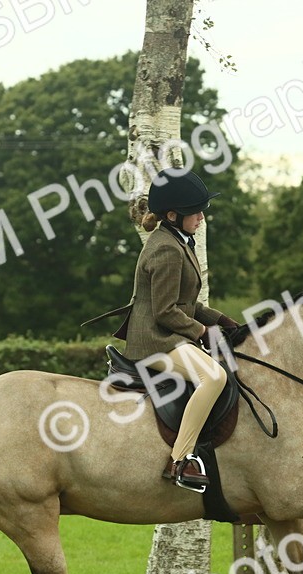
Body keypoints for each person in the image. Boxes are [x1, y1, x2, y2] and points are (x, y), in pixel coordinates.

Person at [86, 168, 238, 492]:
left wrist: (224, 321)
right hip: (155, 340)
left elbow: (186, 304)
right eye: (195, 212)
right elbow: (165, 311)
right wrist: (203, 332)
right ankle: (180, 460)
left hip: (169, 334)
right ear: (172, 215)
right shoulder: (166, 249)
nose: (201, 217)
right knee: (213, 377)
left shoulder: (179, 241)